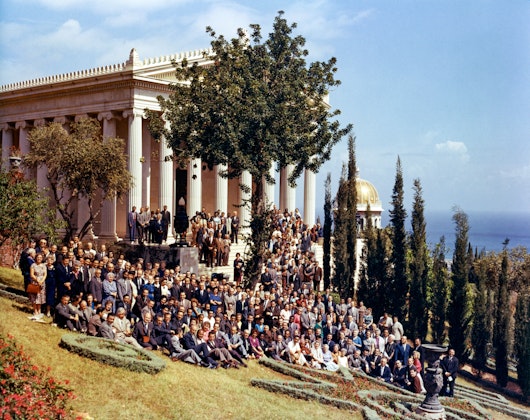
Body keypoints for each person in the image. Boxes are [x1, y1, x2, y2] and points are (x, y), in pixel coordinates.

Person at [28, 253, 47, 321]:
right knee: (34, 297)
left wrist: (42, 281)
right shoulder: (33, 265)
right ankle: (35, 311)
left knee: (40, 297)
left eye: (40, 257)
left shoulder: (44, 265)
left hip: (42, 283)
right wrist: (37, 280)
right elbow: (31, 274)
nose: (39, 259)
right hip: (35, 282)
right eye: (38, 257)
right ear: (36, 258)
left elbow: (45, 274)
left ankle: (39, 310)